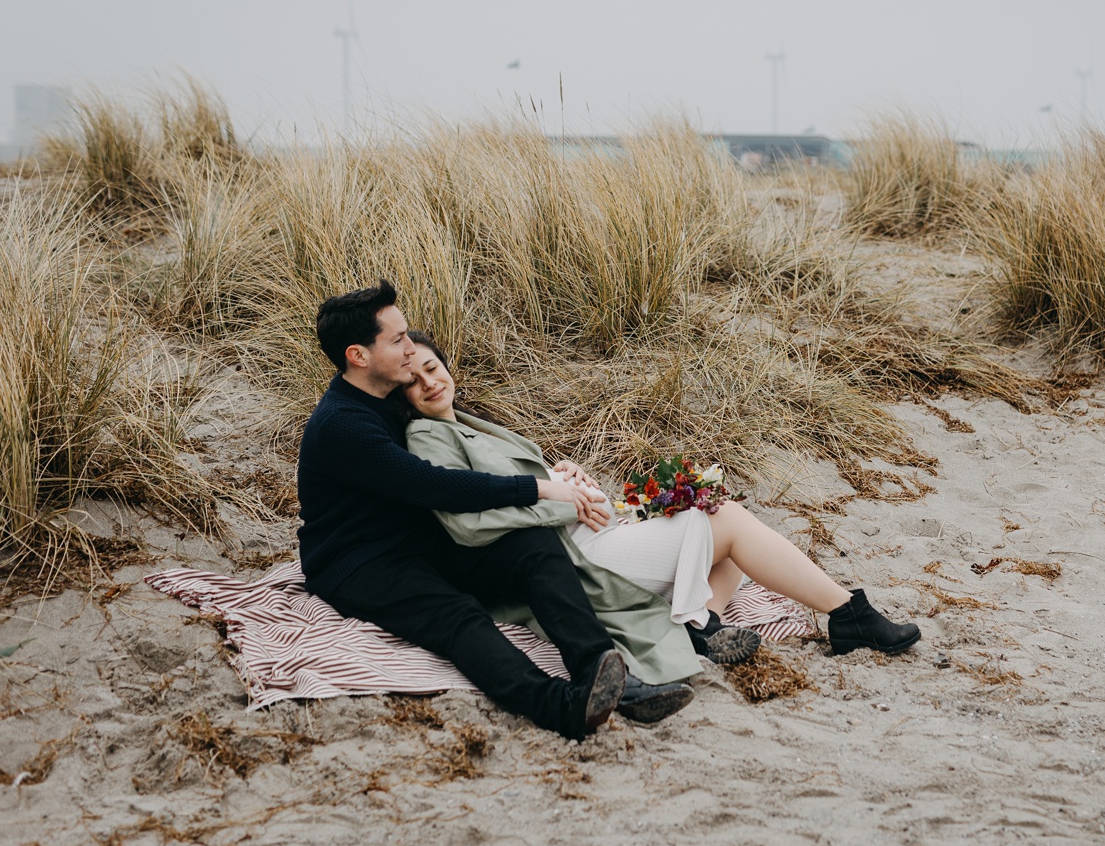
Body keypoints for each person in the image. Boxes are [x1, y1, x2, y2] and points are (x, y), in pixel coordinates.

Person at [295, 280, 693, 740]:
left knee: (533, 546)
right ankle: (563, 709)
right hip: (360, 562)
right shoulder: (343, 425)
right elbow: (434, 484)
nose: (410, 347)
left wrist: (554, 469)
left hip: (419, 539)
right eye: (397, 339)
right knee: (458, 618)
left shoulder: (387, 397)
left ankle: (602, 674)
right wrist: (540, 489)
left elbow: (462, 446)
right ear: (358, 356)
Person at [400, 330, 921, 661]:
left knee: (714, 508)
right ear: (400, 396)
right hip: (570, 559)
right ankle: (848, 615)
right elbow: (469, 518)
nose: (428, 381)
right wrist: (562, 498)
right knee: (729, 523)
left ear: (448, 366)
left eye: (432, 367)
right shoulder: (426, 438)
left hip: (590, 533)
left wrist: (572, 478)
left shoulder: (474, 426)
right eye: (412, 380)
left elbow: (520, 485)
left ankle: (706, 621)